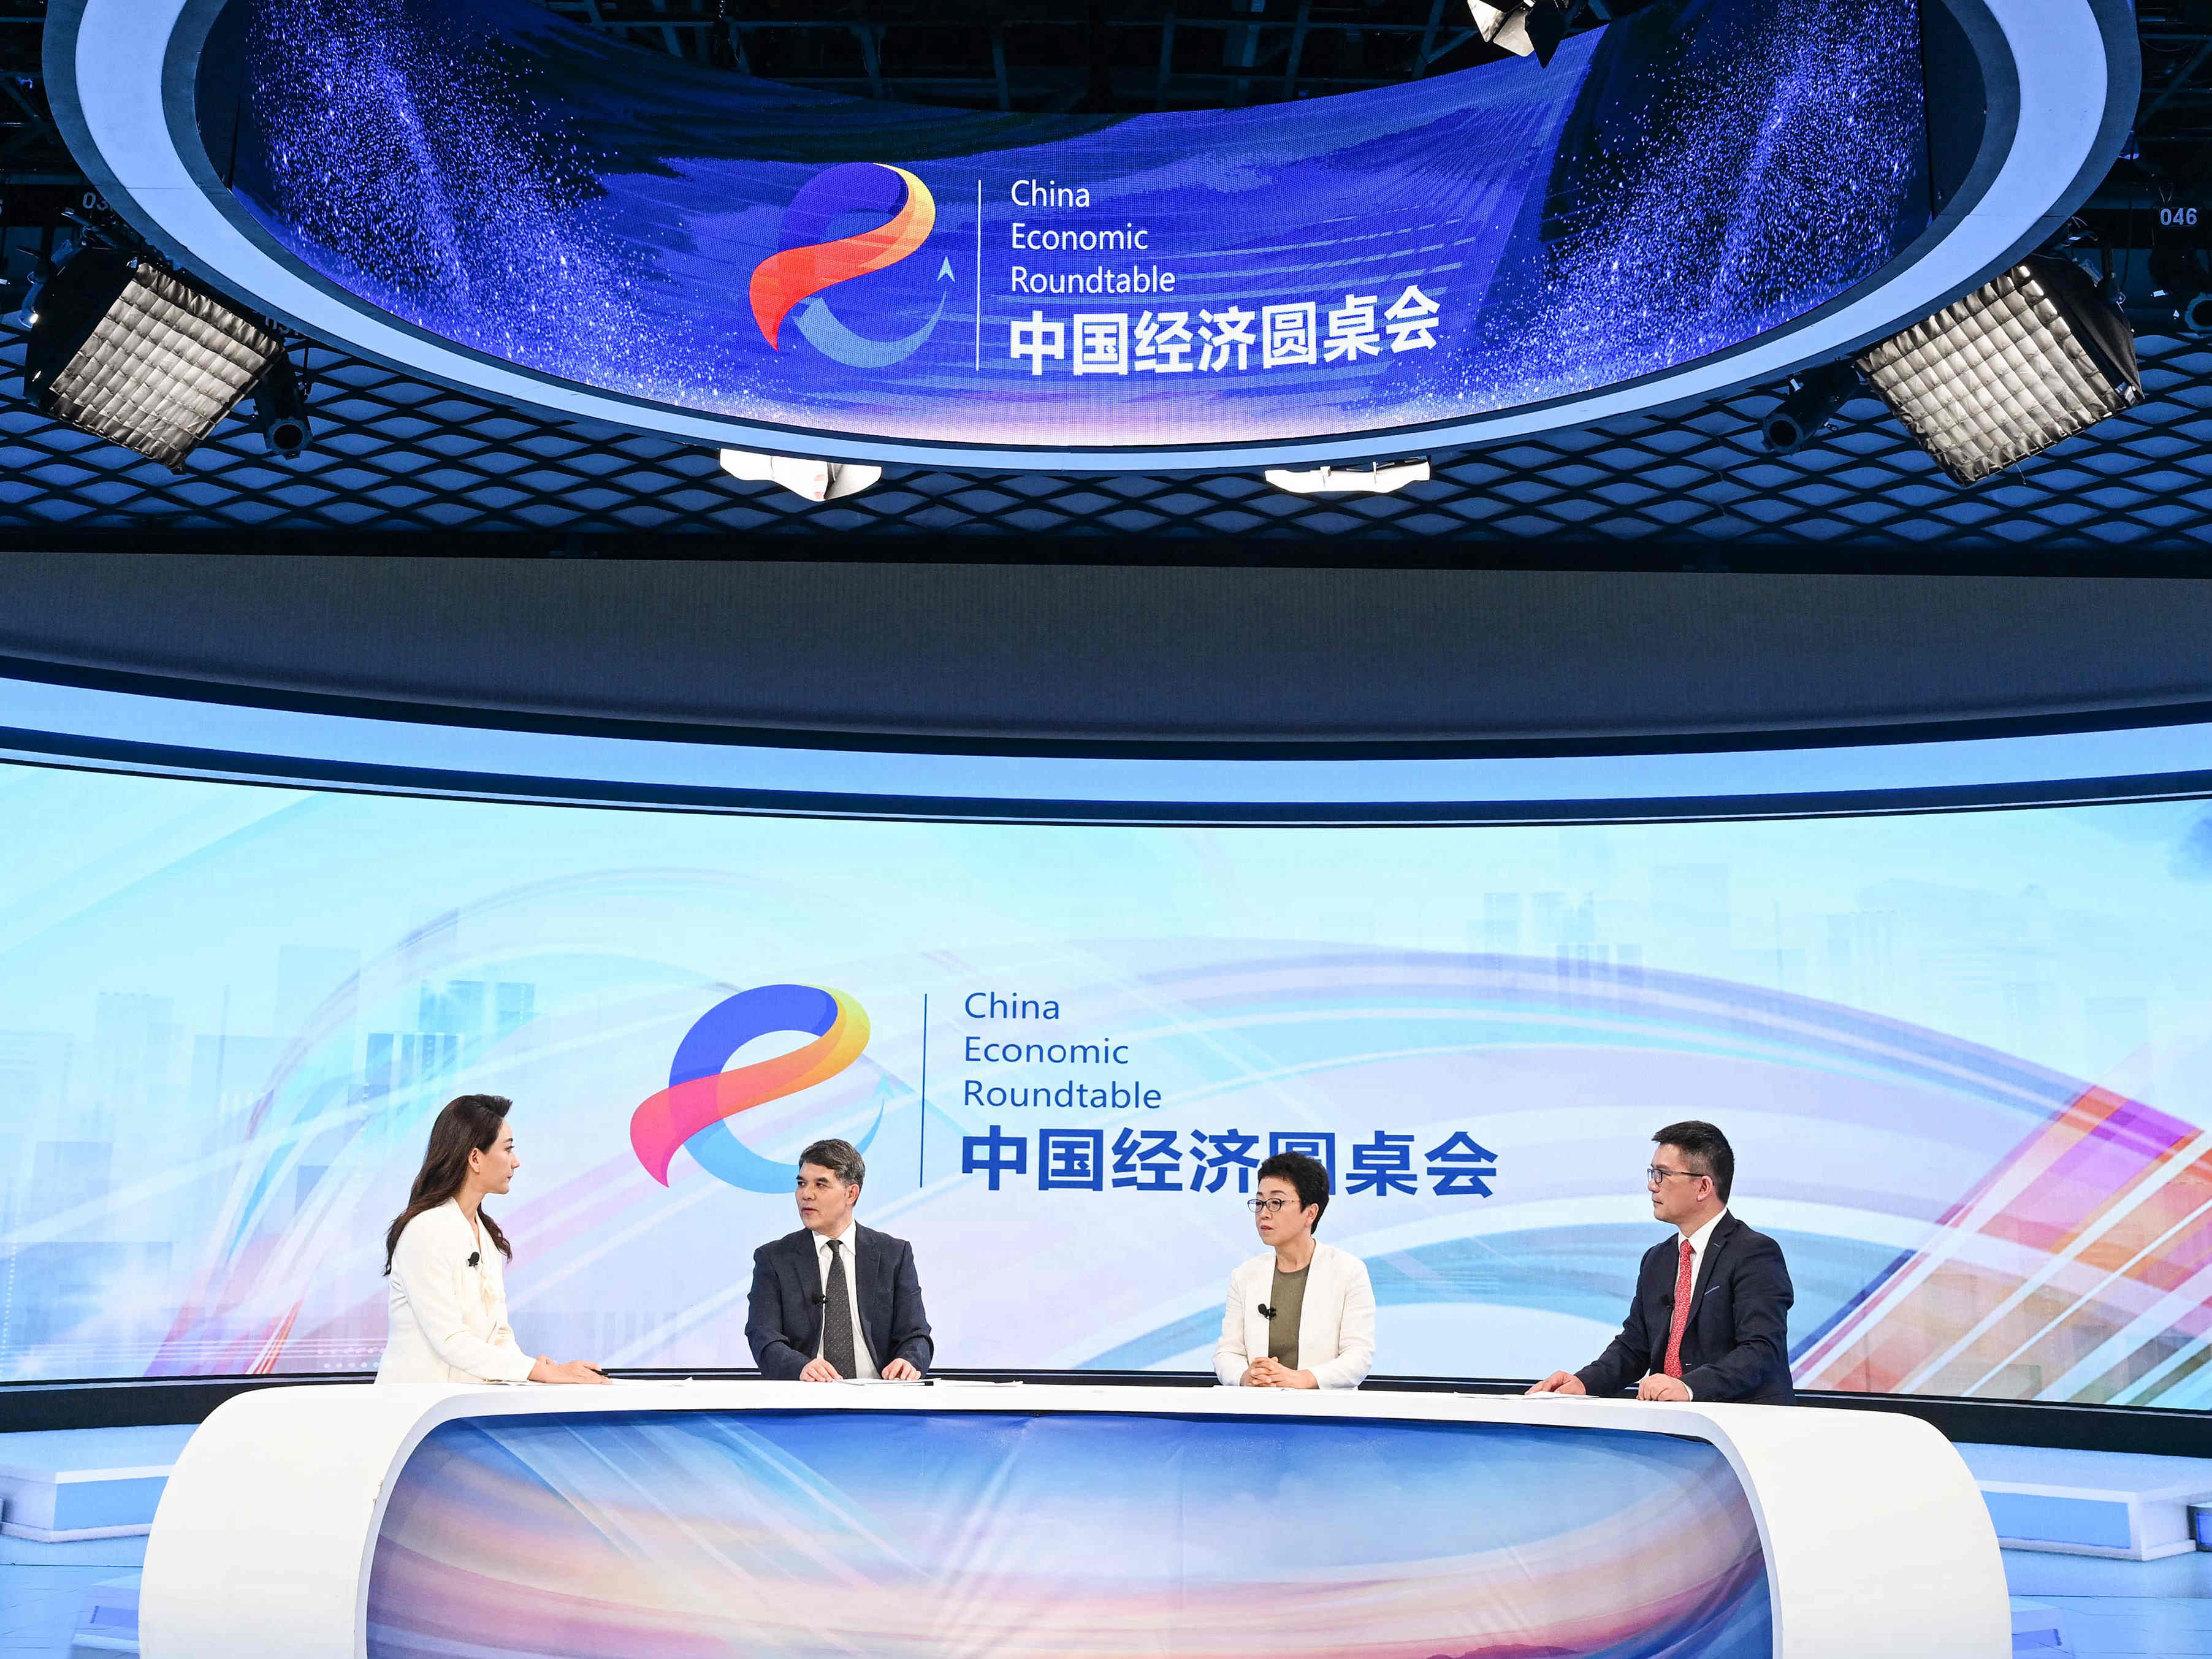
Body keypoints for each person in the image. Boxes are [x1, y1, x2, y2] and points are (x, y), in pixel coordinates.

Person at [1528, 1119, 1793, 1405]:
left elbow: (1761, 1350)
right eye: (1652, 1173)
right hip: (1671, 1423)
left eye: (1663, 1175)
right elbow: (1634, 1346)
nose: (1651, 1185)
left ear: (1703, 1187)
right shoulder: (1658, 1259)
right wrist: (1583, 1383)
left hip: (1741, 1422)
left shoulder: (1754, 1253)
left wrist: (1688, 1387)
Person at [377, 1094, 607, 1385]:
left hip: (465, 1405)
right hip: (416, 1407)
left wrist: (532, 1370)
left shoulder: (485, 1235)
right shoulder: (425, 1231)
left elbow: (498, 1336)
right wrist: (537, 1372)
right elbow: (450, 1339)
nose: (516, 1162)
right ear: (475, 1158)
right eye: (508, 1149)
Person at [745, 1138, 932, 1381]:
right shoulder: (774, 1259)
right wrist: (800, 1367)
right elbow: (763, 1335)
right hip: (807, 1392)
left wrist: (908, 1361)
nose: (806, 1195)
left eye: (820, 1185)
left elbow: (916, 1335)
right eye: (801, 1184)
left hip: (880, 1393)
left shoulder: (893, 1254)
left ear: (851, 1193)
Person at [1215, 1151, 1375, 1389]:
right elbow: (1228, 1353)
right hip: (1256, 1406)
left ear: (1310, 1213)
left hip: (1325, 1407)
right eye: (1259, 1203)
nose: (1264, 1213)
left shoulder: (1348, 1271)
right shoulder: (1245, 1275)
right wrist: (1247, 1376)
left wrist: (1302, 1379)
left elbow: (1358, 1357)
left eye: (1276, 1203)